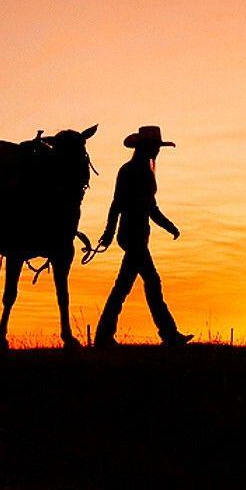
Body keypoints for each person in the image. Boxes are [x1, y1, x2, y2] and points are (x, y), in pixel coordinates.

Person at [94, 125, 192, 348]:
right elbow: (119, 203)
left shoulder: (139, 171)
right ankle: (169, 335)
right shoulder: (133, 171)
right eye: (155, 146)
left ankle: (104, 335)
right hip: (133, 236)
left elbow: (148, 207)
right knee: (149, 283)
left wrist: (169, 226)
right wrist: (109, 231)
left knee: (126, 286)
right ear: (146, 147)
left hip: (134, 236)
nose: (157, 151)